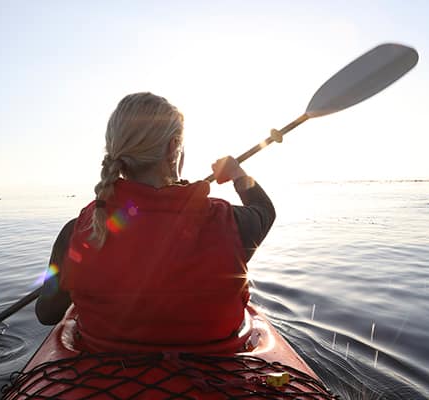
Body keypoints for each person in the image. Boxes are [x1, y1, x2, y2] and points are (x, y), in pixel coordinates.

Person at [35, 92, 275, 348]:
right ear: (173, 148)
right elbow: (264, 210)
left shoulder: (77, 231)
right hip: (215, 376)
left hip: (103, 377)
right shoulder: (231, 224)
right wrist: (239, 174)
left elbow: (47, 313)